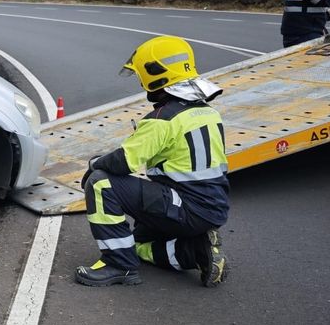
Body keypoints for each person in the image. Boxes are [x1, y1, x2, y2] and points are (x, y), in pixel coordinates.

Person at [75, 35, 228, 288]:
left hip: (184, 207)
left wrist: (95, 164)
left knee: (100, 182)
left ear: (155, 75)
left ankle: (119, 266)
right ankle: (196, 251)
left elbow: (124, 161)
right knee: (136, 245)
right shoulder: (208, 113)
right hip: (212, 207)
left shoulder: (163, 118)